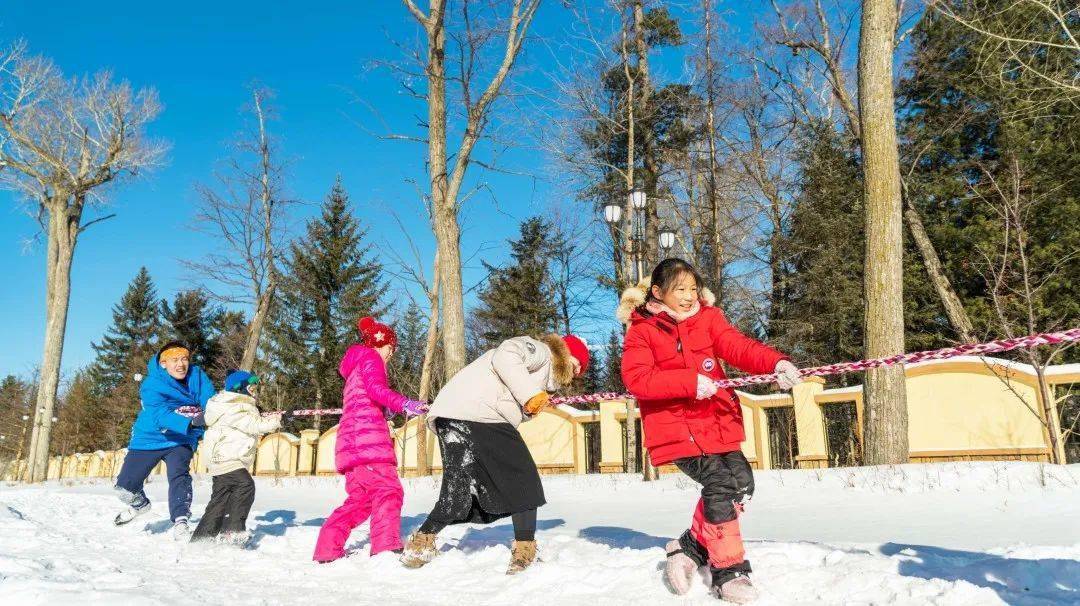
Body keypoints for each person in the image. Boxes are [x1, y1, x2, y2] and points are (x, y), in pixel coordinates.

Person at [619, 258, 801, 604]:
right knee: (719, 483)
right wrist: (689, 382)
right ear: (658, 292)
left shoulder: (709, 319)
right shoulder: (642, 330)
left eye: (693, 289)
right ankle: (729, 570)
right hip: (677, 430)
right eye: (680, 290)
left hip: (716, 423)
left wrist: (775, 362)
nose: (689, 297)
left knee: (742, 485)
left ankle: (690, 545)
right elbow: (637, 379)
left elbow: (738, 347)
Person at [400, 332, 590, 575]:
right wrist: (529, 395)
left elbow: (508, 393)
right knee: (523, 479)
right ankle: (524, 550)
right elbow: (506, 353)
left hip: (452, 414)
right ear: (565, 354)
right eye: (576, 365)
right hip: (481, 414)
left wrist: (528, 407)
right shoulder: (542, 352)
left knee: (457, 491)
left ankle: (420, 544)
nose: (575, 373)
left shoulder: (541, 378)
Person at [312, 316, 429, 563]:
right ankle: (386, 546)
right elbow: (377, 389)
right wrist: (404, 404)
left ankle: (327, 547)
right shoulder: (371, 357)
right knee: (388, 490)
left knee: (360, 500)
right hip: (369, 444)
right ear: (380, 343)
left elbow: (367, 397)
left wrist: (386, 411)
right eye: (391, 348)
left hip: (351, 445)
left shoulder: (355, 367)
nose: (391, 355)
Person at [114, 341, 216, 539]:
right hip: (149, 437)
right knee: (124, 486)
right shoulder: (152, 384)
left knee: (179, 474)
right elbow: (159, 414)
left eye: (184, 359)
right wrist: (192, 422)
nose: (181, 365)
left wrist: (215, 412)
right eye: (175, 360)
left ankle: (180, 520)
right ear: (163, 363)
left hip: (181, 438)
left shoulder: (197, 376)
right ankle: (139, 504)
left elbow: (209, 400)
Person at [190, 370, 283, 545]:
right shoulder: (234, 407)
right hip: (228, 458)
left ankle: (202, 538)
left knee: (220, 500)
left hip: (221, 458)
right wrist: (277, 421)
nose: (254, 390)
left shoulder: (229, 404)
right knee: (245, 485)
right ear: (239, 389)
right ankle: (232, 530)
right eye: (251, 387)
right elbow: (253, 425)